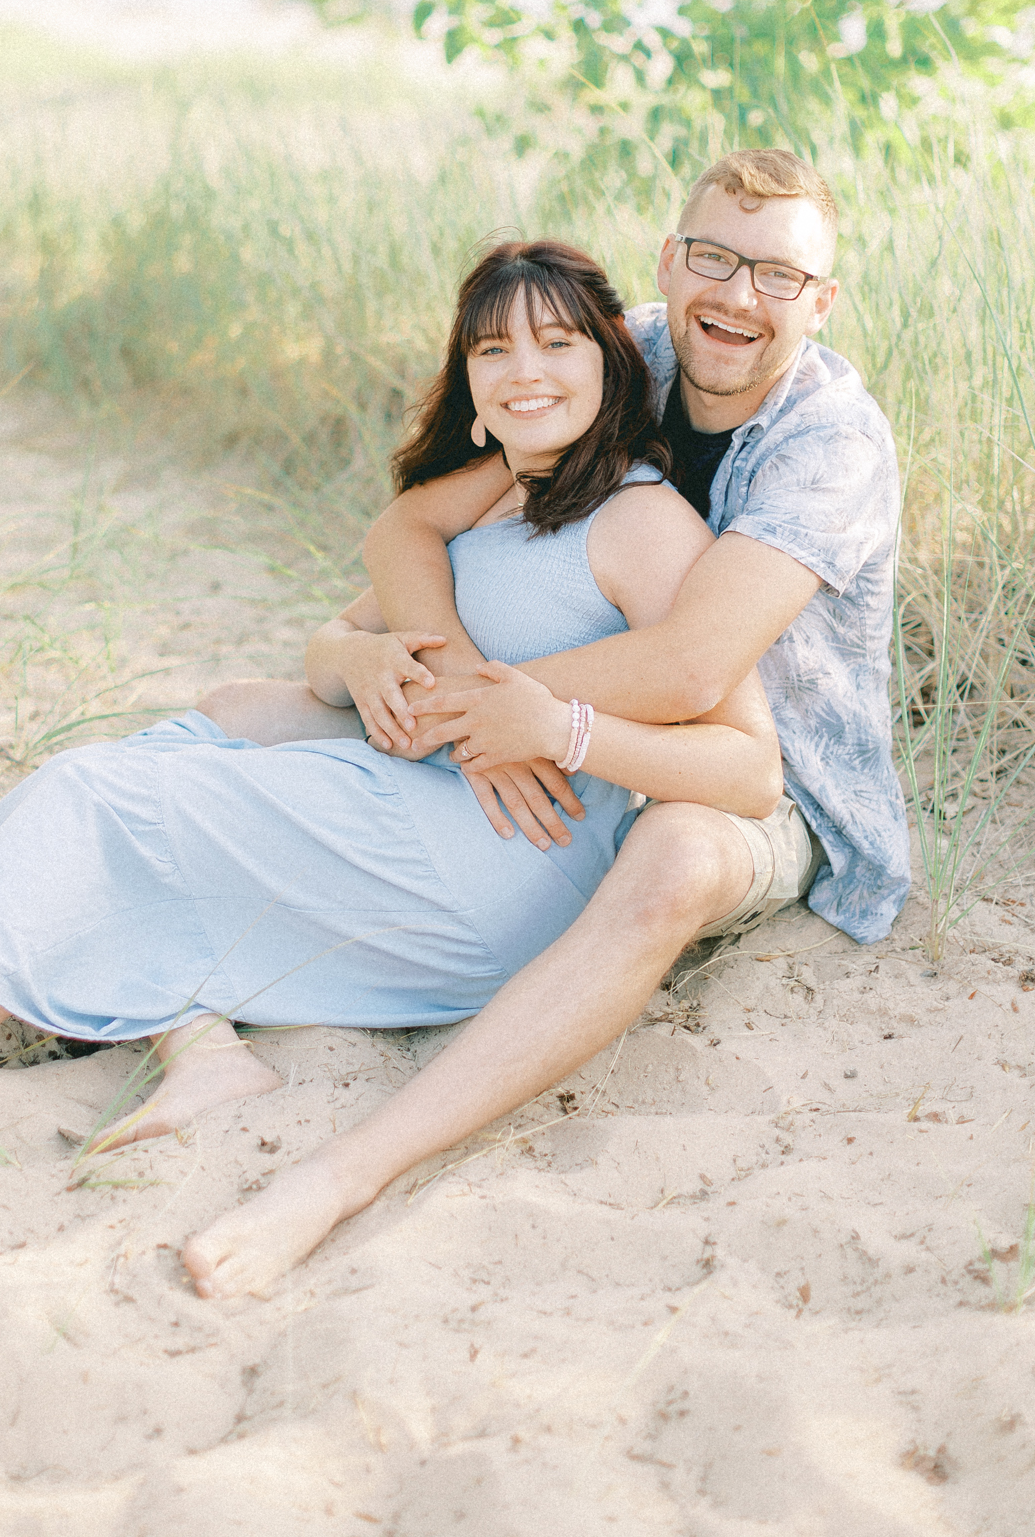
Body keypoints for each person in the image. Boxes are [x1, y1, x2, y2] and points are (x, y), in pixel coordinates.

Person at [0, 240, 780, 1247]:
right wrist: (367, 663)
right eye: (494, 350)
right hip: (413, 812)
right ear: (467, 379)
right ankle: (198, 1047)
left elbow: (749, 767)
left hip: (497, 862)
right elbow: (342, 634)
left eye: (557, 342)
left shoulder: (643, 522)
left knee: (98, 801)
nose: (526, 371)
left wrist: (565, 727)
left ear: (611, 358)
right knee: (164, 760)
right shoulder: (504, 495)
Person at [171, 146, 907, 1299]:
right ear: (669, 263)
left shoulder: (830, 446)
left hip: (751, 773)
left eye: (778, 274)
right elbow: (416, 528)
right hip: (534, 704)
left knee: (673, 858)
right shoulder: (617, 353)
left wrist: (508, 714)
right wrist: (371, 656)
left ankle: (344, 1173)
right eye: (714, 258)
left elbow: (692, 663)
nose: (737, 296)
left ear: (820, 300)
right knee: (242, 707)